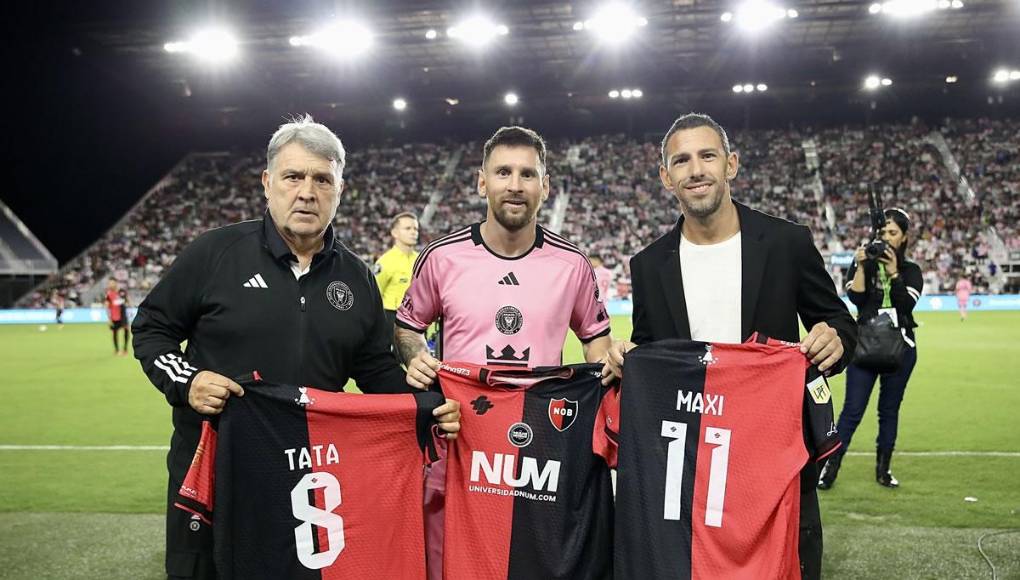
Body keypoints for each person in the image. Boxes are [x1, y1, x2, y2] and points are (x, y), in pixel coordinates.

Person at [131, 115, 461, 580]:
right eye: (293, 176)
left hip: (308, 478)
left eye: (322, 179)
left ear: (339, 191)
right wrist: (188, 381)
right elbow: (151, 329)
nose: (307, 191)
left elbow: (374, 372)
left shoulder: (356, 276)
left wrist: (428, 407)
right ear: (268, 183)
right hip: (214, 468)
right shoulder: (215, 253)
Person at [602, 113, 856, 580]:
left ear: (731, 164)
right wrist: (626, 359)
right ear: (666, 177)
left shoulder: (786, 243)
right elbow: (651, 351)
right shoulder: (648, 264)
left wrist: (834, 337)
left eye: (707, 156)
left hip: (774, 459)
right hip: (687, 468)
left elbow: (837, 320)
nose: (695, 170)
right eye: (681, 160)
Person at [393, 125, 612, 580]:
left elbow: (597, 344)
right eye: (503, 172)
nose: (515, 185)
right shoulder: (441, 258)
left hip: (541, 450)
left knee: (533, 563)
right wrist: (415, 355)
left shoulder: (571, 264)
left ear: (545, 186)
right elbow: (407, 328)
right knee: (453, 565)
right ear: (481, 181)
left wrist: (609, 365)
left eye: (528, 174)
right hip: (460, 440)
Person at [818, 208, 923, 490]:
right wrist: (862, 265)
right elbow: (856, 299)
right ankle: (830, 469)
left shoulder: (911, 270)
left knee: (888, 411)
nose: (886, 238)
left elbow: (905, 306)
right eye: (883, 232)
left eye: (893, 233)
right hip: (863, 347)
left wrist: (893, 273)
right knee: (851, 410)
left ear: (904, 238)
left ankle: (883, 470)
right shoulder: (864, 262)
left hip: (899, 351)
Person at [374, 212, 420, 335]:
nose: (413, 232)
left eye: (416, 228)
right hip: (391, 318)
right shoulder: (385, 262)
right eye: (408, 228)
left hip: (417, 319)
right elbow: (374, 296)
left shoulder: (421, 259)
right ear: (394, 233)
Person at [105, 279, 129, 355]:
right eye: (109, 283)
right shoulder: (109, 294)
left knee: (126, 330)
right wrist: (109, 318)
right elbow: (107, 306)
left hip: (123, 315)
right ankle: (117, 350)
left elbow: (127, 301)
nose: (110, 285)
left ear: (115, 283)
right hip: (114, 316)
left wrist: (125, 303)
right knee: (115, 332)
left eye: (112, 283)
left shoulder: (122, 291)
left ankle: (125, 349)